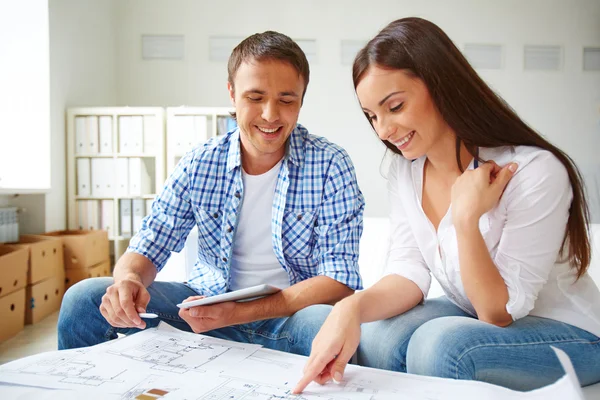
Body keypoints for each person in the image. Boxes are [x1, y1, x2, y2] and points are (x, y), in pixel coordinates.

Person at [294, 17, 600, 393]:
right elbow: (408, 271)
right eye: (373, 116)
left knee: (439, 346)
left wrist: (466, 217)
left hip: (570, 332)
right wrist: (350, 308)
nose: (384, 130)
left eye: (395, 106)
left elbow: (496, 312)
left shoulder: (533, 172)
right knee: (377, 336)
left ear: (440, 85)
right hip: (476, 313)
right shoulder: (406, 171)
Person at [58, 31, 365, 356]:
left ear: (302, 98)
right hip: (203, 308)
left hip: (290, 316)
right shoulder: (200, 162)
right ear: (232, 93)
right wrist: (129, 280)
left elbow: (339, 279)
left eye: (286, 100)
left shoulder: (330, 163)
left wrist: (240, 311)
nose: (271, 115)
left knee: (332, 326)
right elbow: (150, 243)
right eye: (255, 98)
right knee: (85, 299)